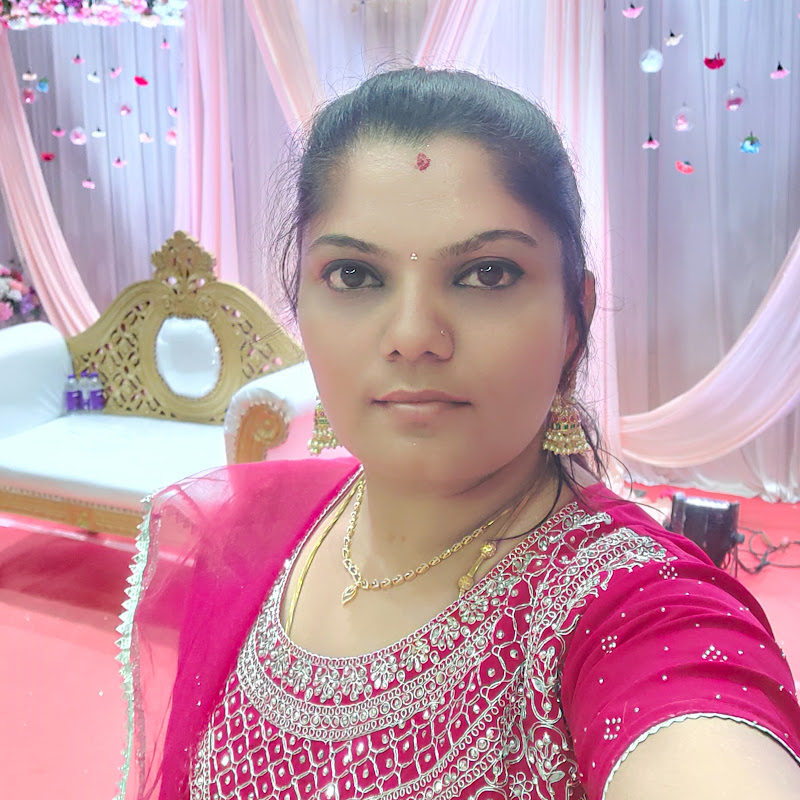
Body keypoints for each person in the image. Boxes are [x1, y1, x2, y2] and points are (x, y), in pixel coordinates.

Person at [118, 67, 800, 800]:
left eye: (487, 274)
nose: (414, 336)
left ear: (573, 320)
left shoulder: (630, 612)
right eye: (354, 275)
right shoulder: (249, 533)